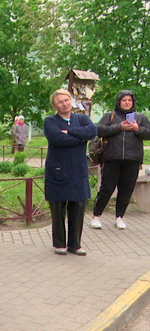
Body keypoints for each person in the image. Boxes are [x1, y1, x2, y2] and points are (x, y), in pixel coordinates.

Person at [43, 89, 97, 255]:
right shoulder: (50, 121)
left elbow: (93, 131)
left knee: (78, 207)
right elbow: (58, 139)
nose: (65, 103)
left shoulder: (81, 118)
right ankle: (60, 244)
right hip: (58, 170)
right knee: (58, 208)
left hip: (78, 170)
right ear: (55, 105)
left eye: (67, 100)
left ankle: (75, 244)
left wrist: (71, 131)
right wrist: (80, 139)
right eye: (61, 101)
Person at [90, 90, 150, 230]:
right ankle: (96, 216)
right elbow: (98, 130)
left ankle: (119, 217)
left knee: (126, 190)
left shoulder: (140, 117)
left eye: (129, 100)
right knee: (107, 188)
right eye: (124, 100)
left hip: (133, 158)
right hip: (112, 157)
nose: (127, 103)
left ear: (133, 102)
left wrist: (137, 128)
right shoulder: (110, 116)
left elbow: (148, 133)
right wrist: (119, 127)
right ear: (119, 102)